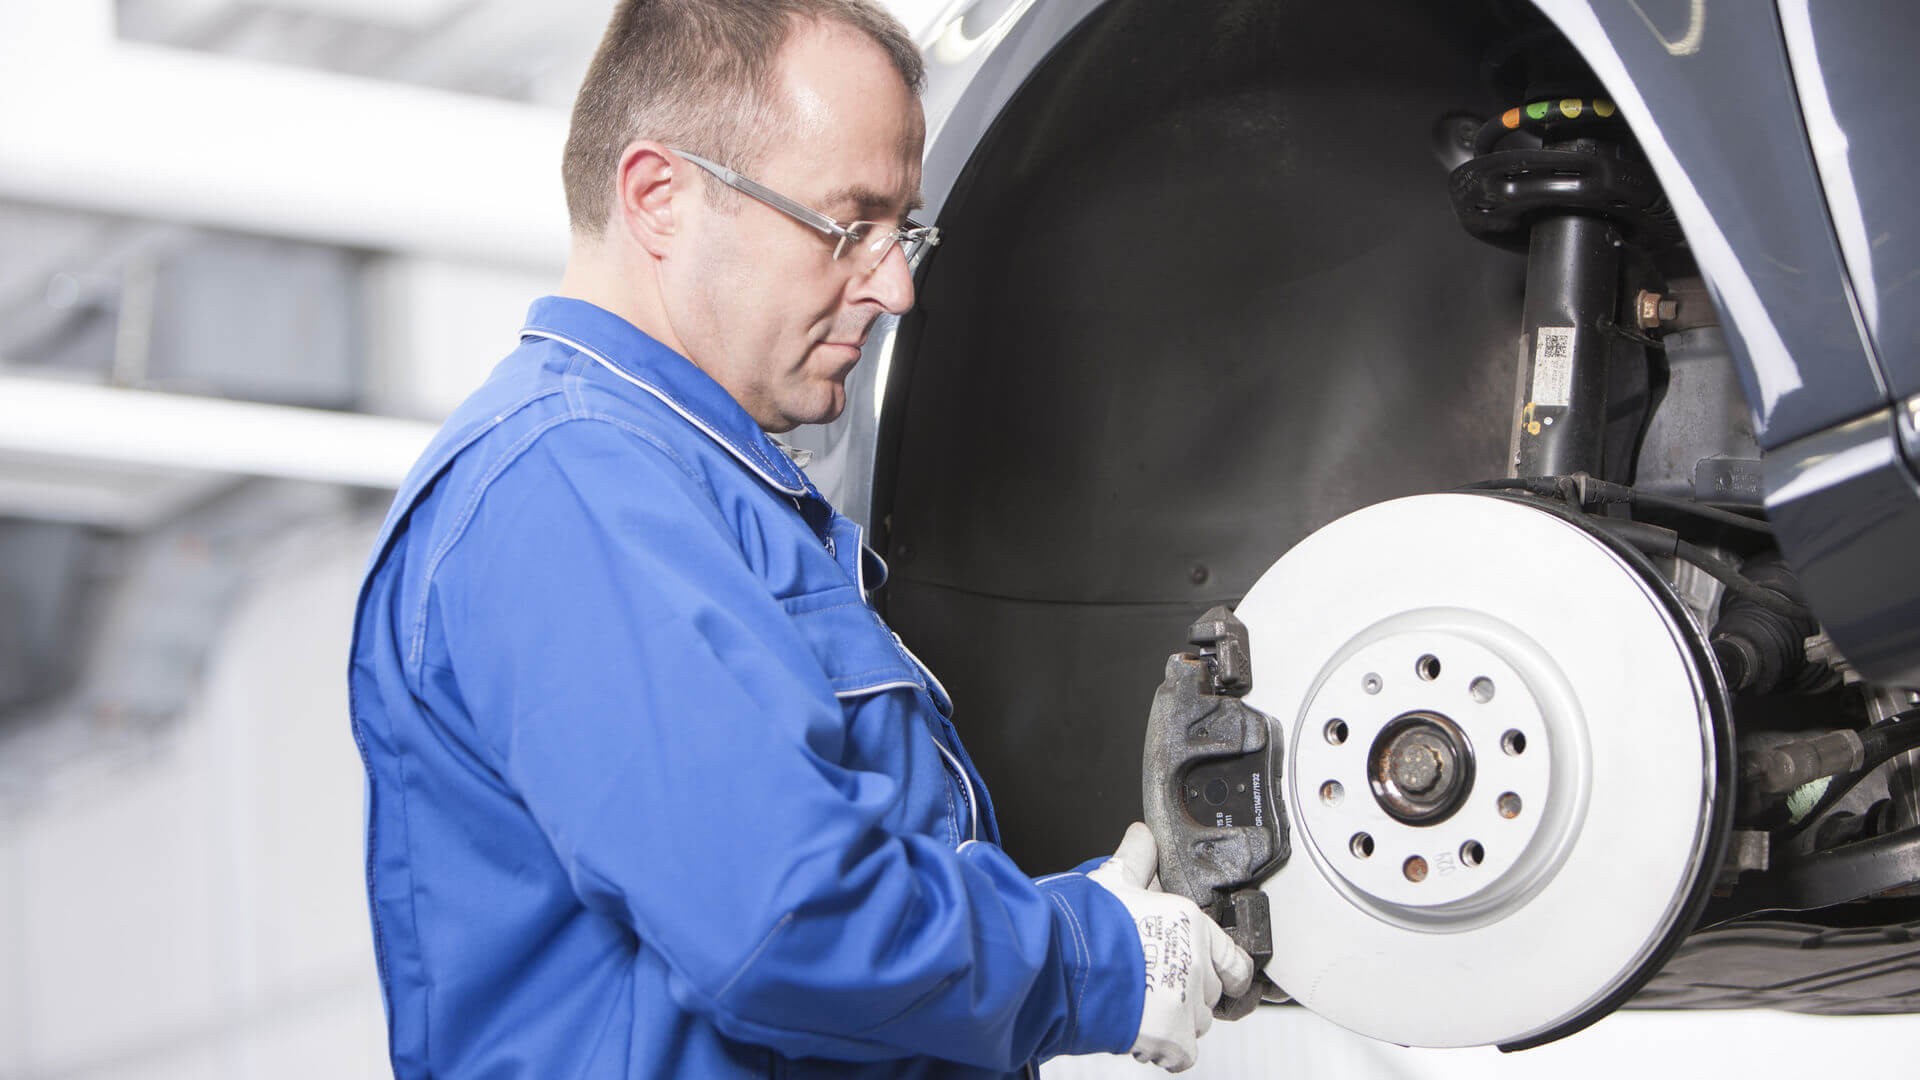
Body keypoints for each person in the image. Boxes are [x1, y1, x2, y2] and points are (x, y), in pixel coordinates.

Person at [347, 1, 1253, 1076]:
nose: (895, 285)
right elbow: (787, 922)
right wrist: (1086, 958)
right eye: (850, 226)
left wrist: (1068, 920)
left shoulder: (701, 495)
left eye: (902, 231)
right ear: (659, 197)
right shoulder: (565, 484)